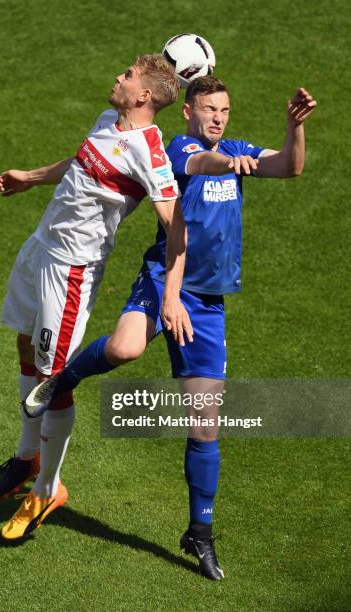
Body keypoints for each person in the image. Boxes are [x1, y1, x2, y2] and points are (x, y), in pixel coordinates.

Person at [26, 76, 317, 579]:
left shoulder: (240, 149)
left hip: (207, 302)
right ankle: (64, 378)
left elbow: (290, 167)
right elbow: (202, 163)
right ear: (188, 111)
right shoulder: (178, 148)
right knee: (123, 349)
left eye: (224, 109)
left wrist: (294, 129)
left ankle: (198, 533)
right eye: (209, 108)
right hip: (163, 278)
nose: (218, 117)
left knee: (205, 422)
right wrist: (171, 296)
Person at [0, 55, 191, 541]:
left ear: (144, 96)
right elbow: (79, 165)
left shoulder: (148, 150)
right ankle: (26, 455)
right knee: (24, 346)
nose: (118, 78)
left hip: (71, 271)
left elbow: (175, 219)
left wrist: (173, 292)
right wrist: (30, 177)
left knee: (53, 378)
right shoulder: (107, 122)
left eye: (127, 76)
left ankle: (47, 487)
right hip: (40, 247)